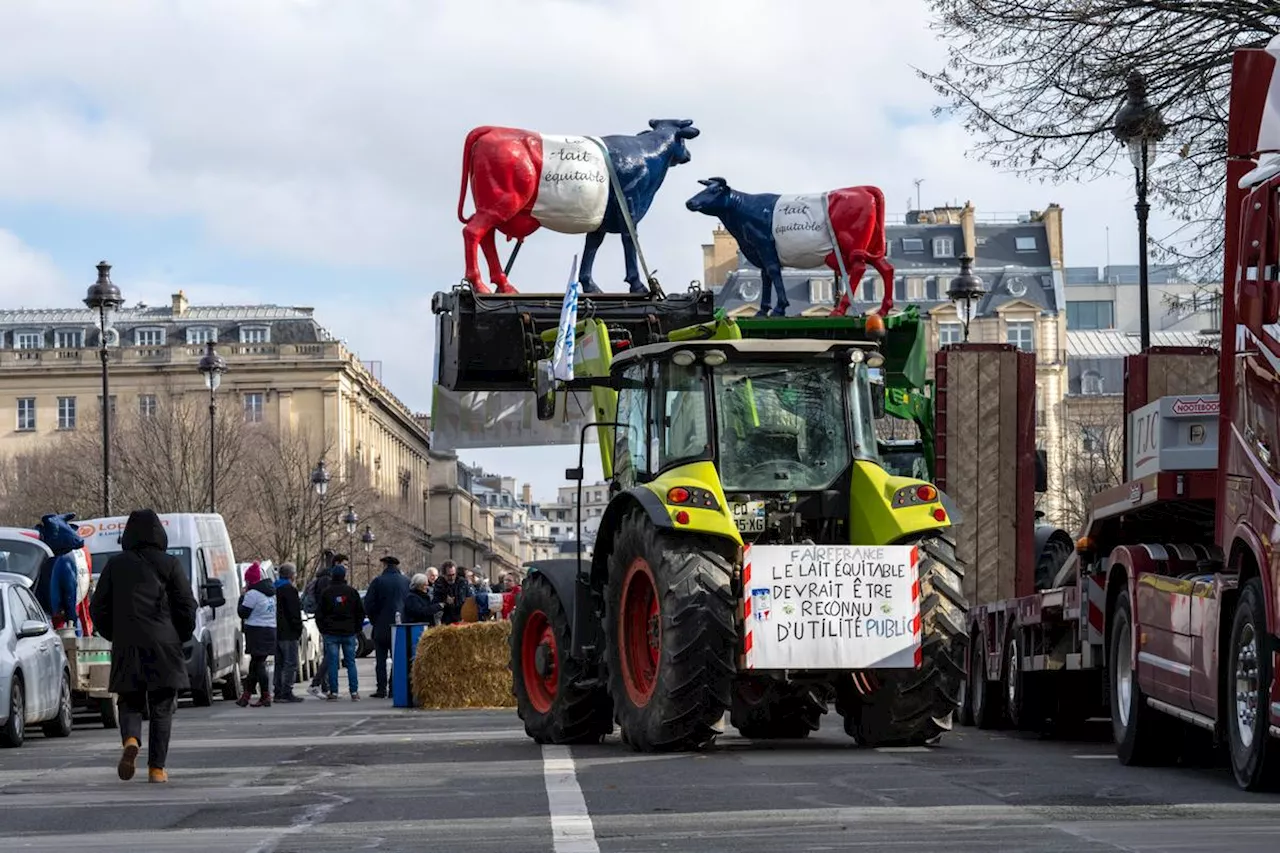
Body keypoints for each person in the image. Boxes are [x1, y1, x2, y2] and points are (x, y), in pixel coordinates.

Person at [89, 508, 197, 784]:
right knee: (162, 705)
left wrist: (114, 633)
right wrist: (180, 633)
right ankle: (157, 769)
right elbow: (186, 604)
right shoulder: (170, 564)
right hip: (164, 642)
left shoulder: (115, 565)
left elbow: (97, 607)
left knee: (129, 700)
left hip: (127, 641)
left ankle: (131, 739)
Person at [362, 555, 409, 699]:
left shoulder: (378, 581)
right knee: (398, 659)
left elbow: (368, 604)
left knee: (381, 660)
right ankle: (394, 688)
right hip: (400, 625)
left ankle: (381, 689)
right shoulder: (406, 582)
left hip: (381, 626)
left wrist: (375, 620)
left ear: (385, 565)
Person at [317, 562, 364, 701]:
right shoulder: (351, 592)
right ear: (344, 576)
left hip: (331, 632)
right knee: (351, 663)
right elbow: (360, 612)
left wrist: (323, 630)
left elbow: (320, 614)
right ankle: (354, 691)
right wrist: (357, 628)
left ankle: (334, 691)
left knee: (332, 663)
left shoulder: (326, 592)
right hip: (349, 631)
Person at [34, 512, 83, 634]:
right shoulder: (42, 555)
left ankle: (75, 632)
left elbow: (70, 594)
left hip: (46, 610)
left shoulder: (62, 559)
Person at [237, 562, 277, 707]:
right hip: (270, 629)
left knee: (258, 664)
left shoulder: (252, 594)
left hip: (256, 631)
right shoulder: (271, 592)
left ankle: (265, 695)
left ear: (250, 580)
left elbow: (243, 612)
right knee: (255, 664)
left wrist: (242, 597)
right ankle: (246, 696)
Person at [273, 563, 305, 703]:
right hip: (289, 632)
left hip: (276, 631)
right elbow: (294, 613)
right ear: (292, 575)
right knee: (290, 663)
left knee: (279, 663)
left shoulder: (274, 589)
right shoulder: (290, 590)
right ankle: (287, 691)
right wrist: (298, 628)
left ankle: (278, 691)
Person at [432, 560, 472, 625]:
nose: (452, 578)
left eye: (453, 575)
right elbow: (435, 602)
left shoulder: (462, 582)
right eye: (449, 575)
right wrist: (445, 601)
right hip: (446, 619)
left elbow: (470, 597)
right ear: (444, 575)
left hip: (462, 617)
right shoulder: (439, 584)